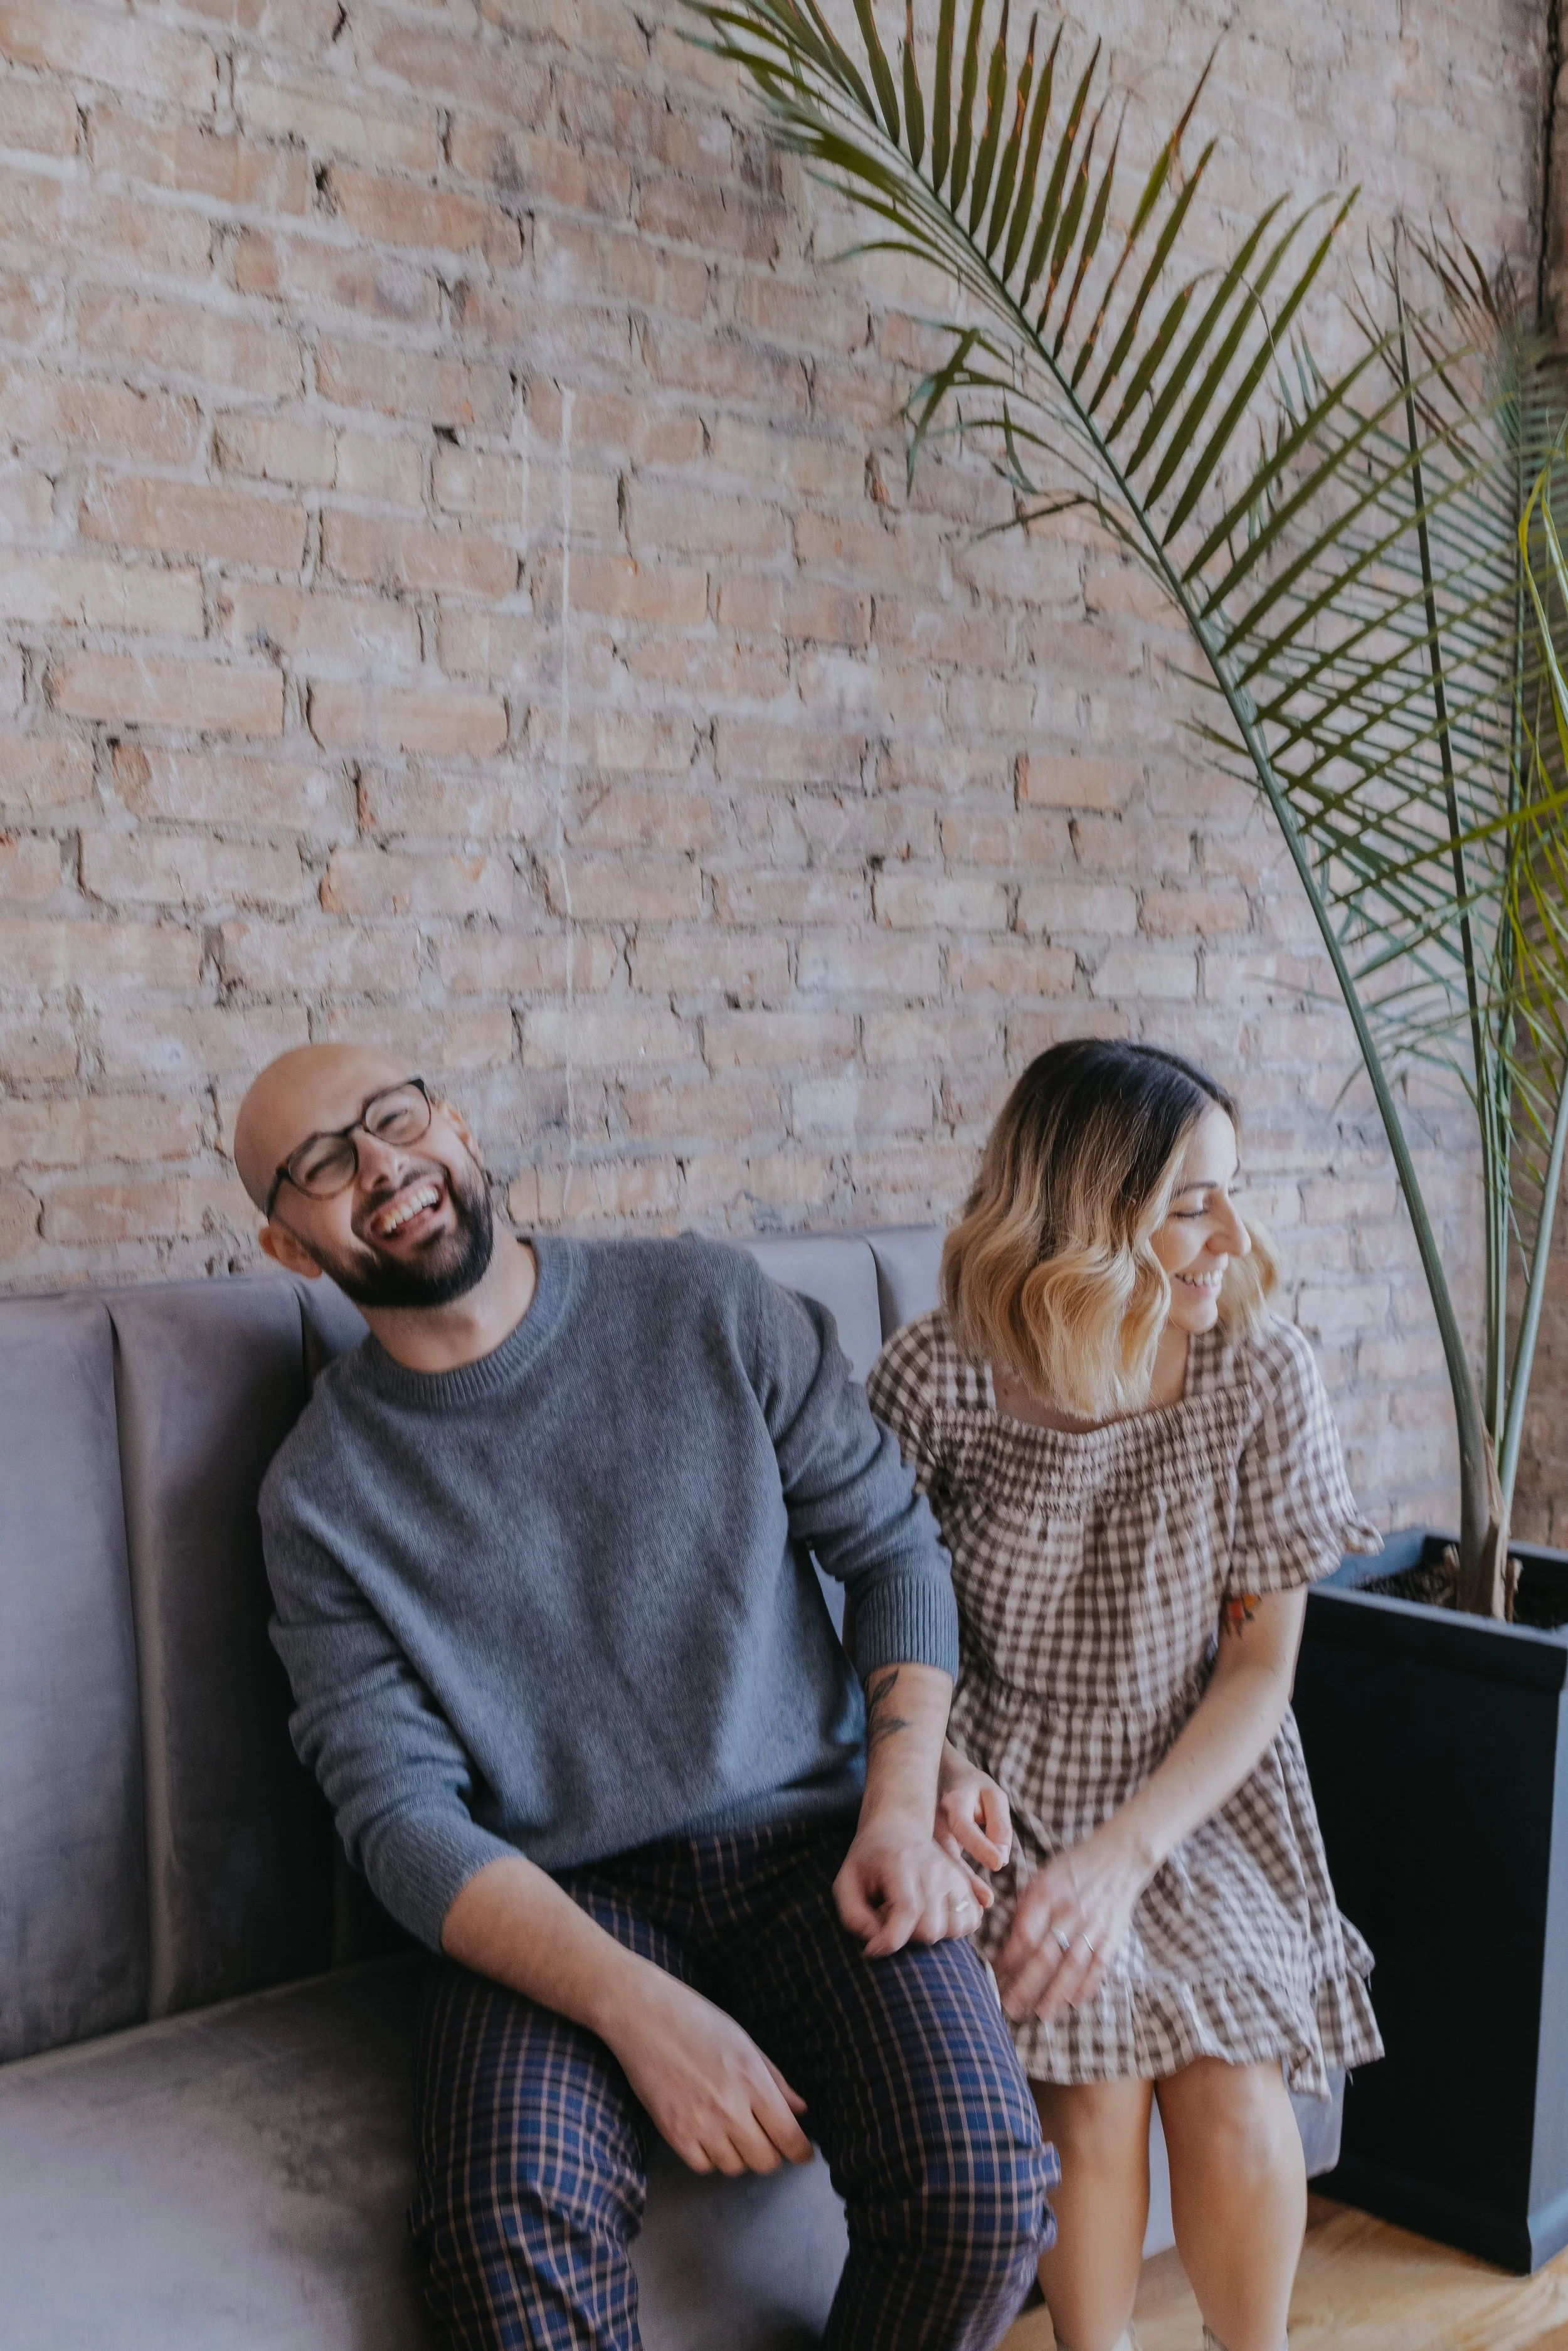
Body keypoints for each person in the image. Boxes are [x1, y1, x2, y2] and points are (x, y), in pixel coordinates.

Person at [234, 1041, 1056, 2351]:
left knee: (983, 2190)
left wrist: (900, 1807)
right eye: (322, 1165)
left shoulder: (707, 1305)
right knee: (507, 2238)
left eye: (392, 1118)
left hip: (810, 1844)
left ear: (455, 1123)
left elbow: (892, 1550)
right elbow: (396, 1813)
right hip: (550, 1898)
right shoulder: (320, 1496)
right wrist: (641, 2009)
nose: (380, 1165)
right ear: (290, 1247)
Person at [869, 1039, 1384, 2351]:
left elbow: (1257, 1669)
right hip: (985, 1776)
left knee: (1223, 2065)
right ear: (1086, 1212)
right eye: (1187, 1200)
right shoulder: (944, 1373)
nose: (1225, 1235)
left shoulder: (1256, 1374)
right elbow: (857, 1611)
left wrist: (1120, 1854)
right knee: (1083, 2069)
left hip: (1192, 1776)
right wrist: (928, 1772)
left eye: (1229, 1190)